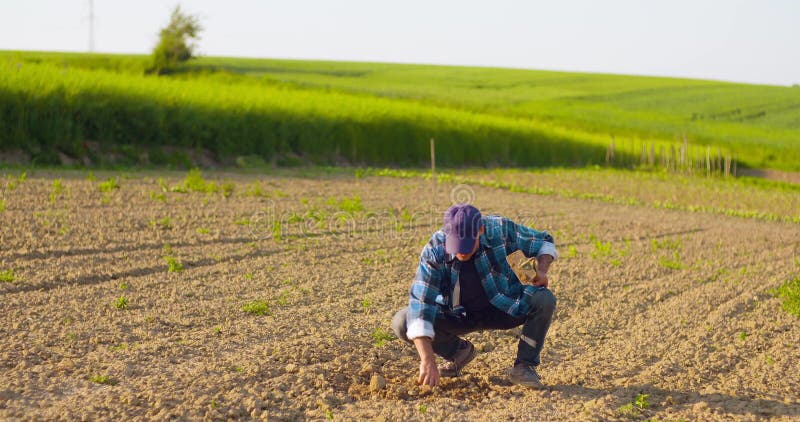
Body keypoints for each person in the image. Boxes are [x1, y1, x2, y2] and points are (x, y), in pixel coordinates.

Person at [391, 204, 557, 388]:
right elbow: (421, 304)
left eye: (467, 245)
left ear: (481, 230)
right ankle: (458, 353)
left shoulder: (499, 229)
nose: (461, 251)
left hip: (504, 306)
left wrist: (540, 270)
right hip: (457, 315)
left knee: (544, 299)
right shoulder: (435, 250)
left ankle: (524, 366)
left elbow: (544, 241)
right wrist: (427, 360)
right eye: (457, 245)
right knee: (403, 321)